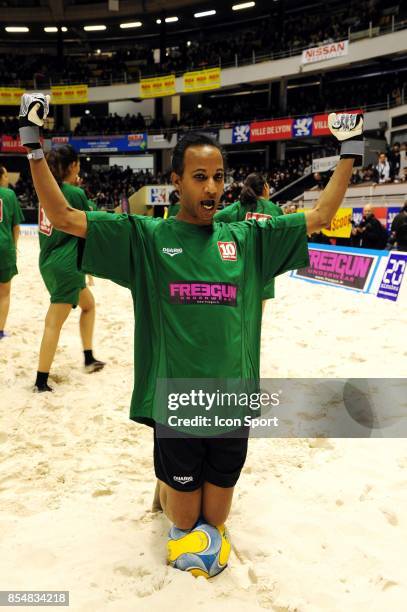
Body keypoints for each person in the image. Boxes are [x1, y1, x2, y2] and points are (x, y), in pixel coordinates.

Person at [19, 93, 363, 551]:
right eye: (200, 177)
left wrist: (350, 148)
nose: (212, 188)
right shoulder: (146, 237)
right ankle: (164, 479)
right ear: (176, 182)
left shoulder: (248, 237)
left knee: (214, 521)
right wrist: (32, 143)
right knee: (184, 523)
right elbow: (63, 216)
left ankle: (173, 481)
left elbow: (320, 216)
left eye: (218, 177)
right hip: (176, 406)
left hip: (230, 404)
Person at [35, 144, 105, 392]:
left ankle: (88, 357)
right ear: (73, 165)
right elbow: (94, 225)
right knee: (53, 322)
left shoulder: (46, 191)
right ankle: (41, 381)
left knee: (88, 304)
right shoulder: (75, 193)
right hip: (67, 264)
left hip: (48, 261)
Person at [214, 173, 283, 309]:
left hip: (240, 269)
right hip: (265, 271)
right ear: (265, 188)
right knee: (256, 318)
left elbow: (214, 219)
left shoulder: (239, 207)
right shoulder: (276, 210)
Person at [0, 166, 24, 339]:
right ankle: (0, 331)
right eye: (7, 175)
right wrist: (15, 247)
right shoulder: (9, 195)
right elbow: (16, 226)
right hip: (4, 247)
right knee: (4, 292)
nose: (8, 178)